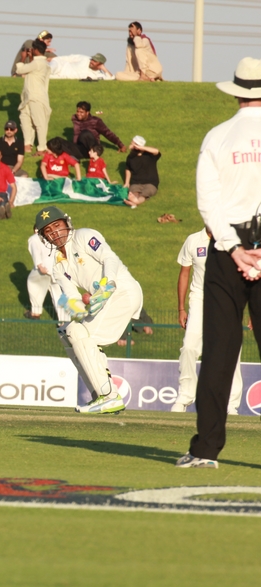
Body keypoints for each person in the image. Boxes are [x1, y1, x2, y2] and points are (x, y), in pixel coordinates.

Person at [178, 57, 261, 468]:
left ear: (238, 92)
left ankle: (205, 450)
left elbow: (207, 204)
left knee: (219, 353)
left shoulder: (218, 136)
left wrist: (234, 247)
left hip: (228, 251)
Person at [35, 205, 143, 414]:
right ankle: (100, 393)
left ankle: (110, 396)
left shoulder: (84, 236)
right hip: (102, 301)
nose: (54, 233)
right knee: (67, 333)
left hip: (122, 291)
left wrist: (106, 283)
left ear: (67, 223)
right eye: (48, 231)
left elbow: (109, 257)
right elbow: (72, 299)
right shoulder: (58, 266)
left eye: (57, 225)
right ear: (44, 238)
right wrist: (84, 305)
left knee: (78, 332)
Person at [173, 227, 243, 415]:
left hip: (229, 300)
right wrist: (181, 308)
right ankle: (185, 396)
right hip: (200, 299)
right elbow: (184, 273)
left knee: (231, 351)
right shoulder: (193, 240)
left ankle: (231, 404)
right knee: (189, 346)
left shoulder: (234, 240)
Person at [15, 39, 50, 156]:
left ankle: (41, 148)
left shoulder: (38, 63)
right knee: (25, 119)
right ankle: (27, 145)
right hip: (29, 97)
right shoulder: (41, 63)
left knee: (39, 123)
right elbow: (30, 69)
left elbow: (20, 70)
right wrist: (30, 58)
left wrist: (23, 58)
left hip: (36, 97)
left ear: (36, 50)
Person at [25, 229, 69, 321]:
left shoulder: (34, 238)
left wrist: (39, 265)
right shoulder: (52, 235)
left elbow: (35, 252)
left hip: (44, 268)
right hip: (56, 268)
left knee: (33, 284)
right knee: (58, 295)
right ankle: (64, 321)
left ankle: (35, 313)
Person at [124, 136, 161, 207]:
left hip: (151, 183)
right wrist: (127, 183)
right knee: (133, 193)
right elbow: (128, 169)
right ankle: (133, 201)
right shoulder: (131, 157)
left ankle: (136, 201)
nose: (130, 146)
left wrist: (141, 148)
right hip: (136, 183)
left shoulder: (150, 155)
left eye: (132, 144)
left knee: (145, 194)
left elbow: (156, 151)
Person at [49, 53, 113, 81]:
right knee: (49, 70)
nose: (92, 62)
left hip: (62, 77)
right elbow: (69, 58)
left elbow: (111, 78)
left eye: (95, 61)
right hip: (61, 66)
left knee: (48, 78)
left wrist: (104, 68)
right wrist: (53, 58)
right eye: (92, 59)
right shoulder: (85, 58)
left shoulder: (99, 75)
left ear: (100, 64)